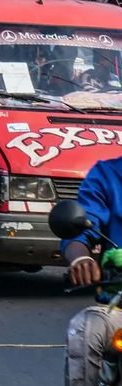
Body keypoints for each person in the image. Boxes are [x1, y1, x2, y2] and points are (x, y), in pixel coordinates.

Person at [60, 157, 122, 386]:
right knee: (86, 329)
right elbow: (80, 229)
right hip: (119, 310)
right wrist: (81, 259)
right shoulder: (107, 175)